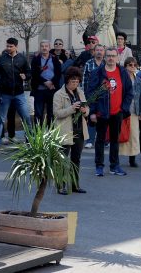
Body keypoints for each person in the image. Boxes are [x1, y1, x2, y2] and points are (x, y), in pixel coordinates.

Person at [87, 47, 133, 177]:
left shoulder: (122, 72)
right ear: (105, 57)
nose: (111, 58)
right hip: (102, 112)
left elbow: (129, 92)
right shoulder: (97, 72)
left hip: (117, 112)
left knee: (114, 140)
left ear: (117, 57)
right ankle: (99, 166)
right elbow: (91, 93)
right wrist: (93, 112)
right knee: (100, 140)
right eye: (108, 56)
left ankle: (114, 166)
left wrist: (124, 108)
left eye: (113, 56)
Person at [53, 67, 92, 195]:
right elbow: (57, 113)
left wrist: (85, 111)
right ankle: (60, 185)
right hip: (65, 130)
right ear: (67, 80)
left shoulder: (80, 92)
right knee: (63, 159)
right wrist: (71, 108)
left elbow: (87, 108)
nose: (75, 84)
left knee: (76, 159)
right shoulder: (59, 94)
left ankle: (75, 185)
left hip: (79, 129)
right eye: (72, 81)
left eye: (77, 81)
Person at [0, 38, 32, 148]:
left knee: (26, 117)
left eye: (11, 46)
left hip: (19, 94)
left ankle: (30, 140)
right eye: (7, 46)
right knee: (1, 118)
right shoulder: (1, 59)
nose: (8, 48)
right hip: (5, 94)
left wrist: (26, 76)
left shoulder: (22, 58)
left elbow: (29, 72)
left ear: (16, 46)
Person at [120, 57, 141, 168]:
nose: (132, 67)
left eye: (134, 65)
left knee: (134, 136)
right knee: (120, 135)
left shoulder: (138, 79)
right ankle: (115, 159)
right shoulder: (121, 78)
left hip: (134, 110)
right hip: (122, 110)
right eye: (130, 65)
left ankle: (132, 159)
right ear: (125, 66)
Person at [30, 40, 61, 125]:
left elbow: (58, 73)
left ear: (49, 47)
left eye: (46, 46)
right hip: (39, 90)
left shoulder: (54, 59)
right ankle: (38, 135)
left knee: (51, 113)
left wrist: (52, 82)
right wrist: (45, 82)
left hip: (52, 90)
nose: (44, 48)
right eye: (42, 46)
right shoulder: (36, 59)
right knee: (38, 114)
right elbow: (34, 74)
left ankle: (50, 134)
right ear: (40, 48)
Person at [82, 43, 105, 148]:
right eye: (97, 50)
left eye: (101, 50)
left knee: (104, 117)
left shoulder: (107, 63)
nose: (99, 52)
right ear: (94, 51)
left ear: (104, 52)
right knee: (92, 117)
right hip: (91, 94)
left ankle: (104, 140)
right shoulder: (88, 63)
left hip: (105, 95)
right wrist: (84, 95)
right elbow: (84, 80)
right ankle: (90, 140)